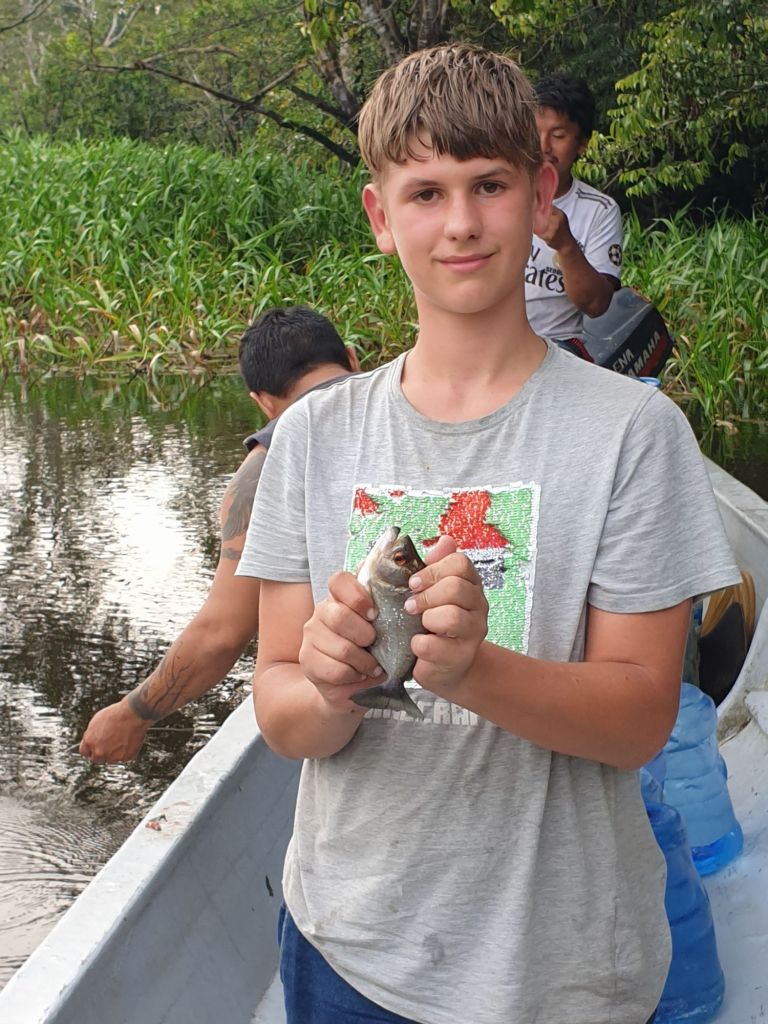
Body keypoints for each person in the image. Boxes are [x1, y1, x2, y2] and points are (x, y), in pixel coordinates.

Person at [237, 44, 740, 1024]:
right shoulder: (311, 437)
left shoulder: (633, 434)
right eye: (425, 193)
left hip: (562, 967)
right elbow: (282, 709)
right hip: (348, 948)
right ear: (380, 216)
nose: (461, 222)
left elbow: (640, 718)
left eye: (490, 185)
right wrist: (331, 685)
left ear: (541, 193)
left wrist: (472, 668)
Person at [78, 306, 358, 764]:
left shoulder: (261, 473)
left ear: (262, 401)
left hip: (344, 710)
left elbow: (222, 633)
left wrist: (133, 713)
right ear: (351, 357)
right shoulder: (415, 408)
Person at [525, 73, 623, 345]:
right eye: (535, 132)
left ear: (582, 144)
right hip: (492, 341)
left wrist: (566, 246)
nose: (543, 146)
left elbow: (595, 304)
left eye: (558, 135)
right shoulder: (498, 193)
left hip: (558, 346)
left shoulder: (600, 211)